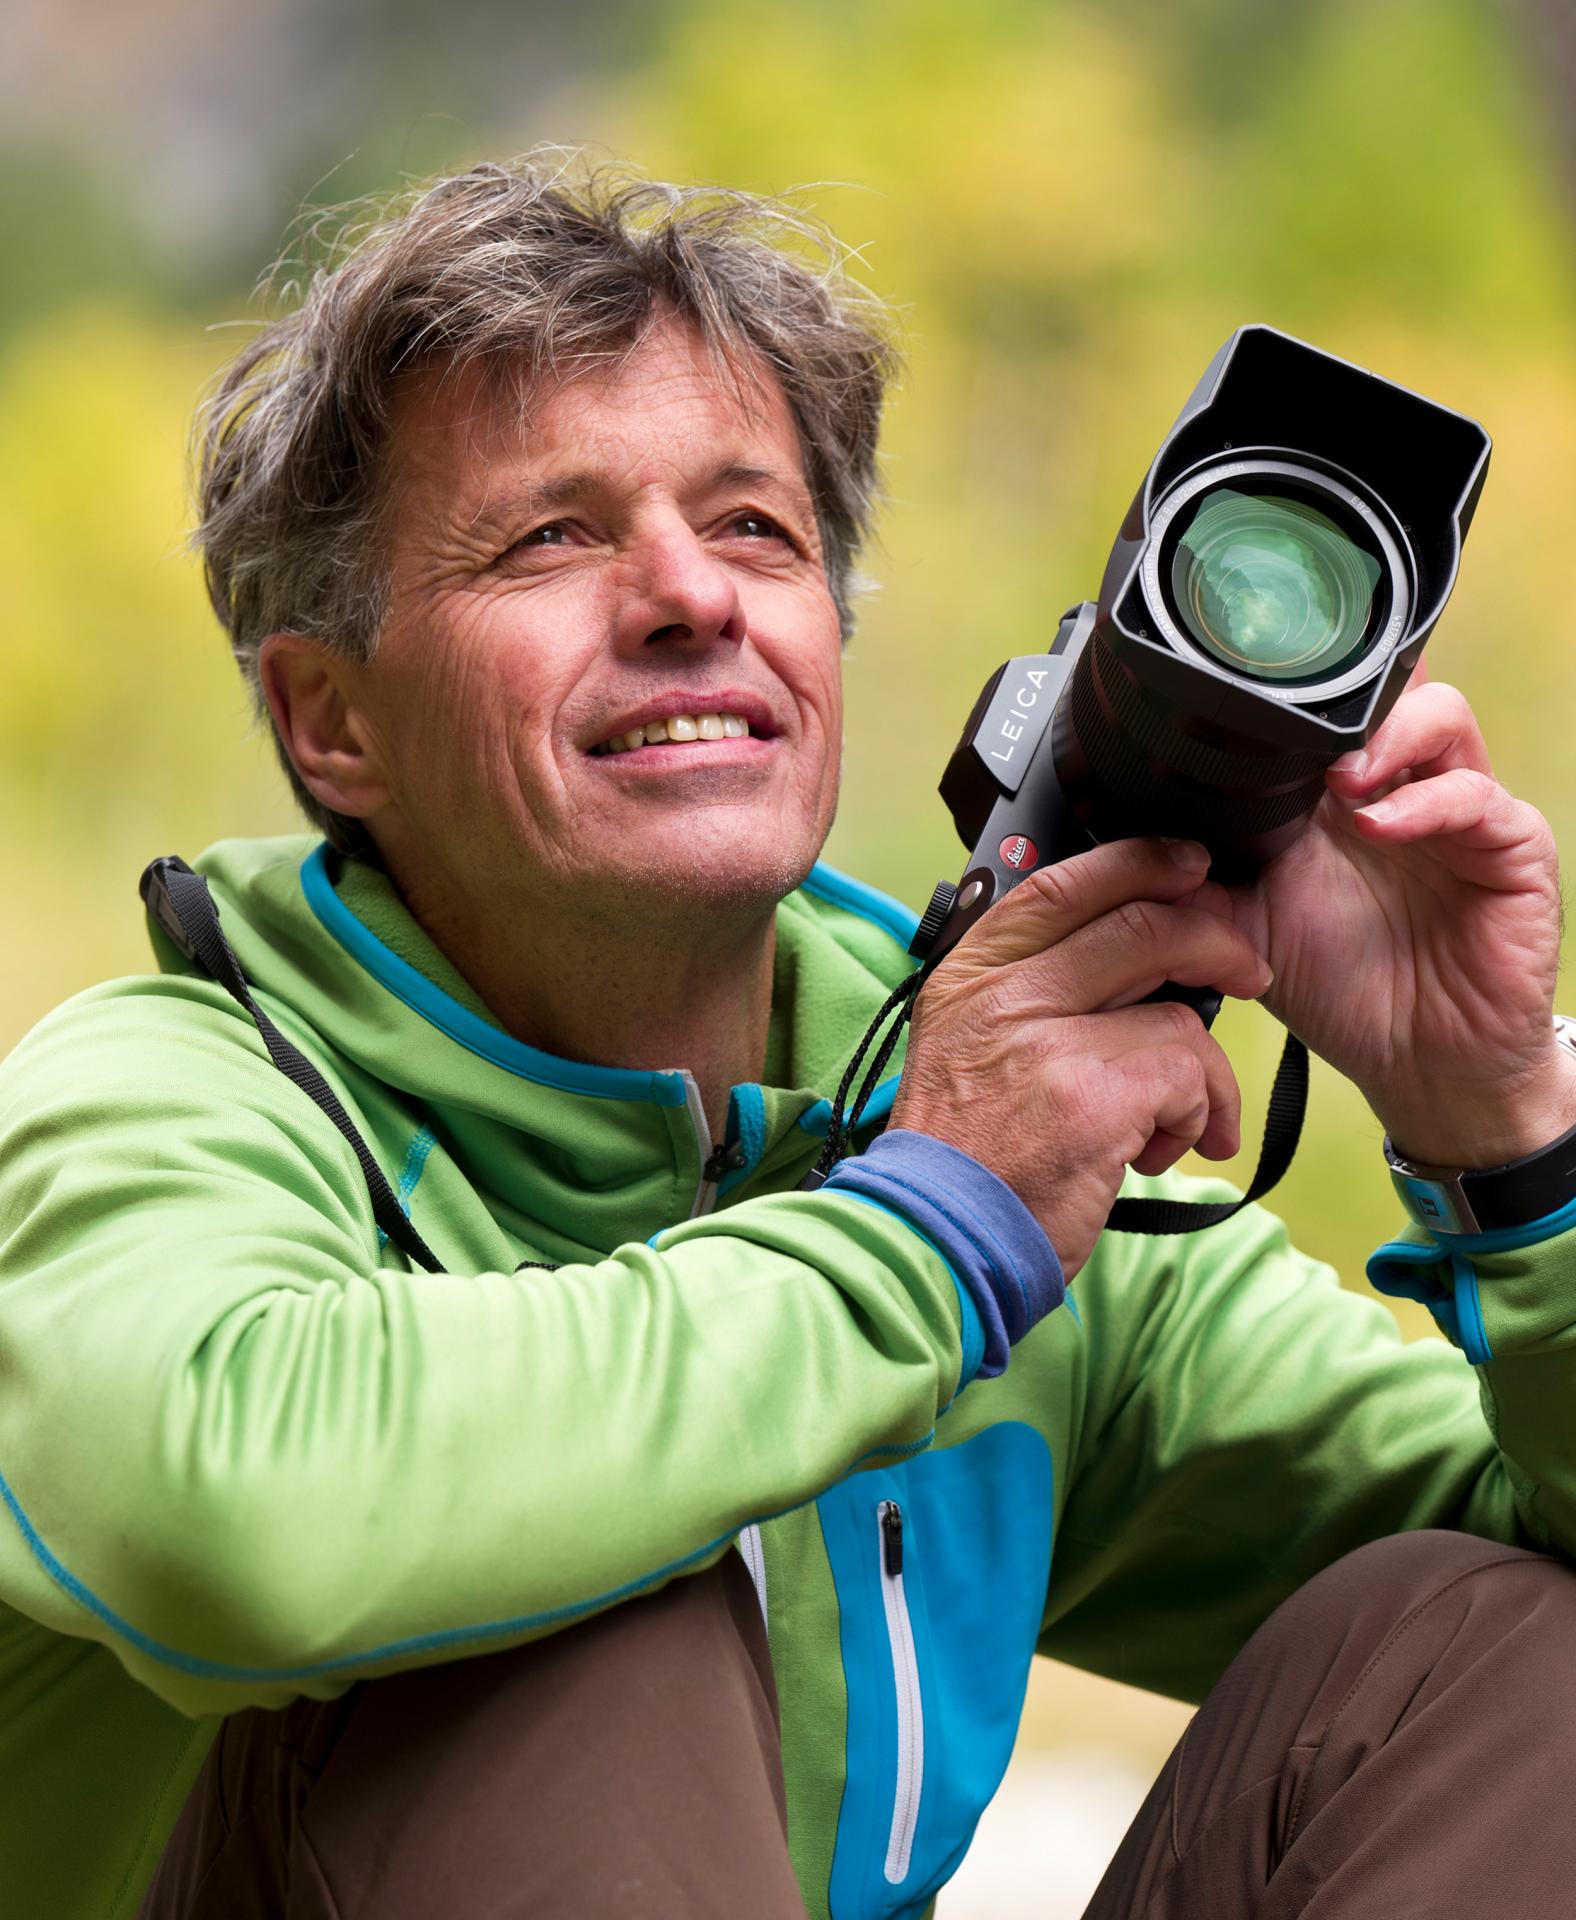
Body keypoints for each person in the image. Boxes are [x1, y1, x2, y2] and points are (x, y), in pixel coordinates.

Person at [3, 155, 1576, 1920]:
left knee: (1512, 1652)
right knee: (577, 1585)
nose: (693, 594)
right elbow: (231, 1516)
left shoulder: (974, 1116)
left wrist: (1512, 1136)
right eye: (552, 535)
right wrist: (927, 1237)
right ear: (330, 720)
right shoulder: (160, 1098)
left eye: (756, 527)